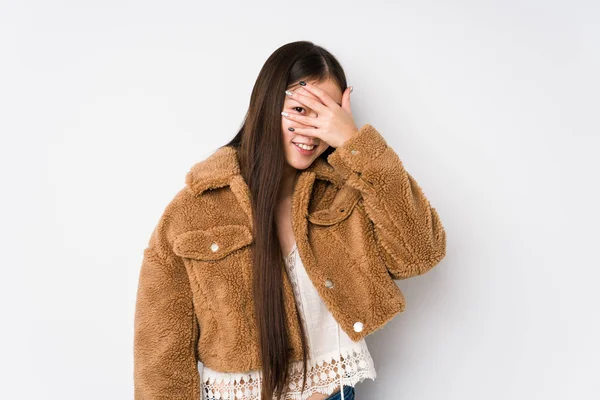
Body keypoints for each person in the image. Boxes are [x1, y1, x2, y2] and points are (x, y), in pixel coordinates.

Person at [133, 41, 447, 400]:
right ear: (266, 107)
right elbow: (160, 349)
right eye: (300, 109)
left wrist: (355, 143)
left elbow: (420, 253)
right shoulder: (196, 207)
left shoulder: (347, 189)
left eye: (324, 115)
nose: (311, 130)